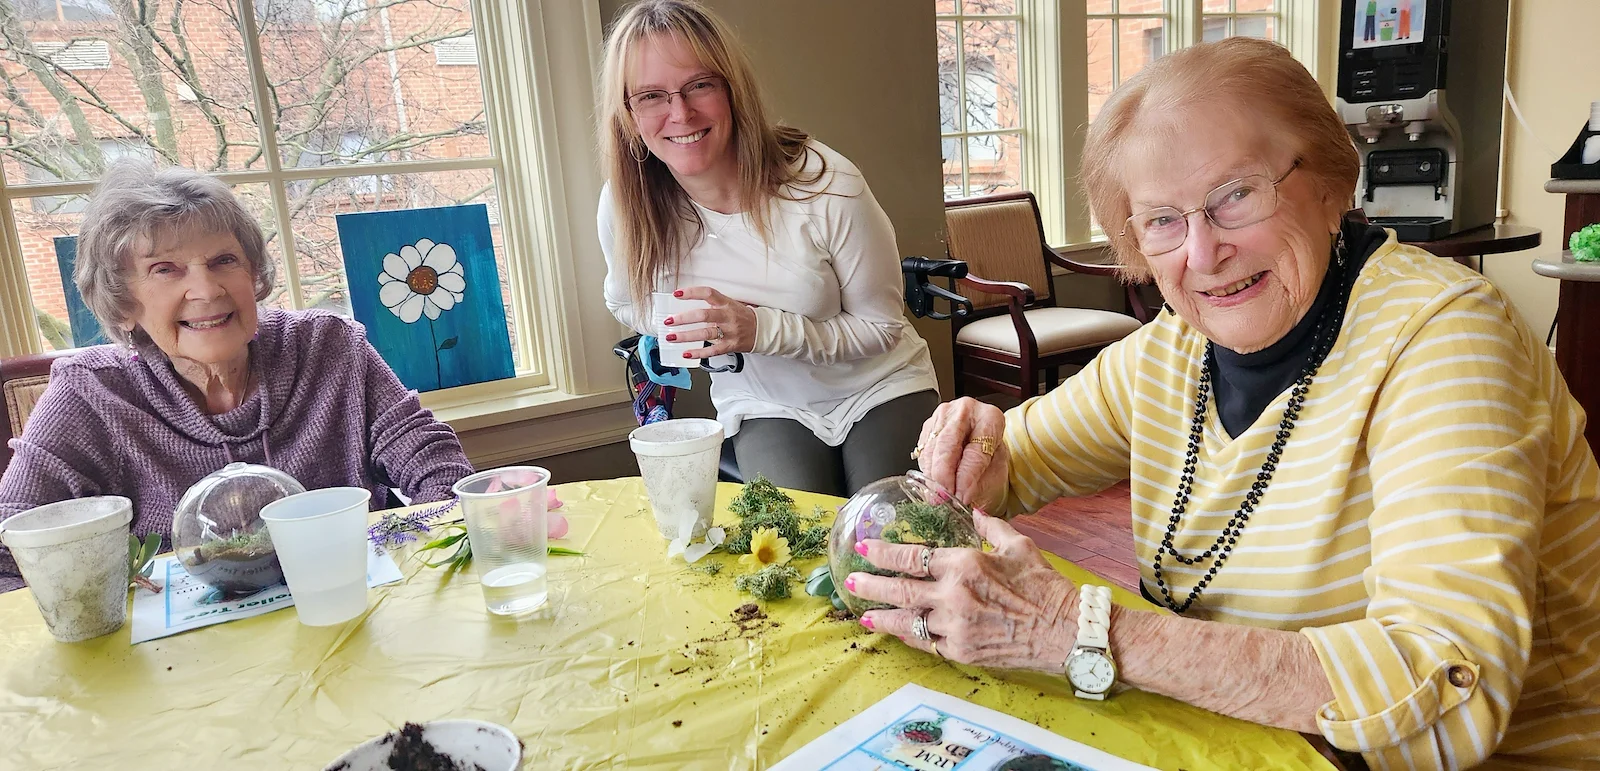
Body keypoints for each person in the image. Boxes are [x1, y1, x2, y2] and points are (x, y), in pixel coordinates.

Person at [848, 39, 1600, 769]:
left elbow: (1449, 701)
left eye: (1236, 194)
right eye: (1163, 220)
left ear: (1334, 181)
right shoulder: (1173, 352)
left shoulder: (1445, 340)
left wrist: (1070, 630)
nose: (1202, 254)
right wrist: (977, 442)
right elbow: (1013, 455)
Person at [0, 161, 474, 593]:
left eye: (224, 261)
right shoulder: (91, 392)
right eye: (165, 269)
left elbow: (437, 467)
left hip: (352, 607)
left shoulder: (328, 347)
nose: (206, 290)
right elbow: (12, 550)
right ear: (123, 303)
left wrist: (413, 553)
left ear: (253, 274)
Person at [595, 0, 940, 498]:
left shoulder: (825, 183)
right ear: (628, 115)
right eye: (650, 96)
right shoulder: (625, 204)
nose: (680, 113)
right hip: (764, 401)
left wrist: (759, 329)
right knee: (791, 538)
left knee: (878, 538)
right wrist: (690, 327)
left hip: (879, 384)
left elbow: (882, 326)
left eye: (700, 84)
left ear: (733, 90)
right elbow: (626, 300)